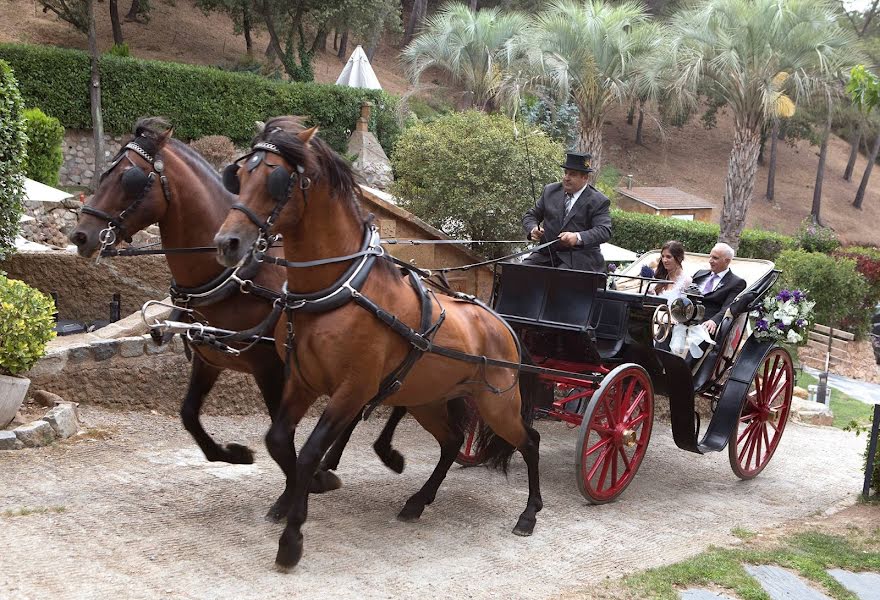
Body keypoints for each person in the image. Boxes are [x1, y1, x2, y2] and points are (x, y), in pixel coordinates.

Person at [522, 151, 612, 272]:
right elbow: (531, 215)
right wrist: (533, 228)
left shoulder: (598, 201)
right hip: (547, 255)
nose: (566, 178)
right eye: (565, 173)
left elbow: (604, 231)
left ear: (585, 177)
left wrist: (577, 237)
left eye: (572, 174)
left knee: (561, 278)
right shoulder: (550, 191)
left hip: (579, 260)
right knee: (520, 271)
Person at [691, 242, 747, 336]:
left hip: (707, 323)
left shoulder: (736, 283)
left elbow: (728, 307)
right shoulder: (700, 274)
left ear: (727, 261)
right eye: (710, 257)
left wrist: (714, 321)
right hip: (686, 317)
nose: (710, 261)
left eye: (715, 258)